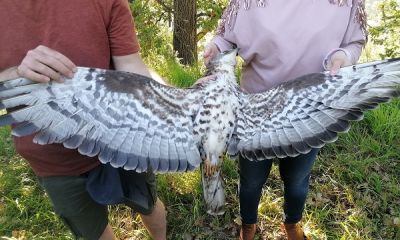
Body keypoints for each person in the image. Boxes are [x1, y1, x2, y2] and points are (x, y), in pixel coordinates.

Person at [0, 1, 167, 239]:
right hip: (51, 157)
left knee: (148, 205)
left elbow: (131, 66)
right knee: (93, 233)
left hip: (119, 137)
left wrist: (175, 102)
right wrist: (16, 74)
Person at [203, 0, 367, 239]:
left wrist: (344, 55)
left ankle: (292, 224)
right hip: (256, 109)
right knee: (251, 180)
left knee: (297, 178)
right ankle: (248, 225)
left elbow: (354, 41)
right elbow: (227, 38)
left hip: (309, 110)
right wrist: (216, 48)